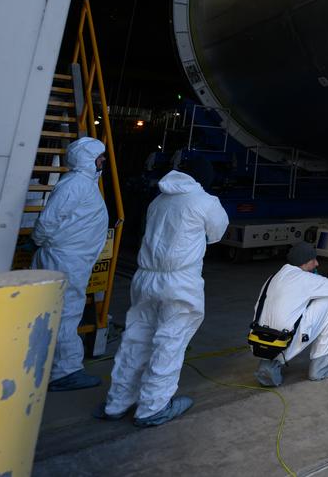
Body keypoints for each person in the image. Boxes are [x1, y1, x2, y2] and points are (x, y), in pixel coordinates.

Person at [94, 170, 228, 427]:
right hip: (179, 281)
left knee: (136, 339)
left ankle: (117, 403)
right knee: (170, 341)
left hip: (145, 277)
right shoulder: (205, 201)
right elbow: (216, 234)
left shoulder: (158, 200)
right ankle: (152, 408)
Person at [32, 136, 109, 391]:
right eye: (100, 157)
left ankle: (45, 365)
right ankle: (65, 372)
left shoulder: (82, 183)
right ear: (88, 159)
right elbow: (47, 221)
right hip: (65, 261)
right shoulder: (76, 184)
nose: (103, 162)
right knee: (66, 313)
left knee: (60, 311)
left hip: (70, 259)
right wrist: (39, 240)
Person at [254, 242, 328, 387]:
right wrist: (318, 302)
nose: (317, 263)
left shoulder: (273, 277)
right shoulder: (306, 279)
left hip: (259, 340)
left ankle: (268, 365)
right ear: (305, 262)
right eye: (314, 260)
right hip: (286, 338)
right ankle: (321, 366)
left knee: (281, 318)